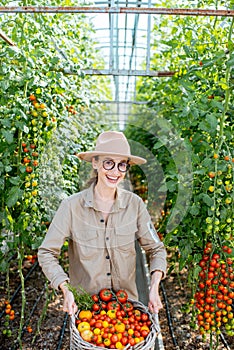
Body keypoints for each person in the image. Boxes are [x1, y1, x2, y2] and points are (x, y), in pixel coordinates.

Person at [38, 131, 167, 316]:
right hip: (86, 313)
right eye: (109, 163)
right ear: (95, 163)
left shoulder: (135, 205)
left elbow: (157, 249)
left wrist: (154, 287)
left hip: (127, 310)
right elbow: (46, 253)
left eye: (122, 165)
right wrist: (65, 289)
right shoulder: (71, 207)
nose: (115, 172)